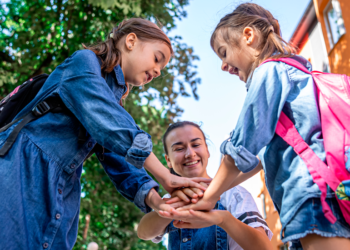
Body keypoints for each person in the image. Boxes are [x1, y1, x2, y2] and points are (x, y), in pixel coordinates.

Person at [0, 18, 208, 249]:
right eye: (157, 58)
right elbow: (105, 117)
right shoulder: (83, 62)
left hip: (60, 191)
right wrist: (165, 176)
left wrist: (158, 202)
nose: (158, 71)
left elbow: (122, 162)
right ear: (131, 41)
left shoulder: (113, 105)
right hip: (21, 172)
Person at [159, 4, 350, 250]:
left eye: (223, 52)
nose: (223, 66)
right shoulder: (296, 76)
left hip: (311, 195)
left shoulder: (268, 72)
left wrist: (210, 198)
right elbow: (257, 159)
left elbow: (240, 151)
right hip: (331, 189)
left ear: (248, 36)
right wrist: (209, 188)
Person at [137, 121, 272, 250]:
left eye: (195, 145)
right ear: (168, 161)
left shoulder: (233, 194)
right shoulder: (169, 199)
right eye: (179, 148)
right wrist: (173, 207)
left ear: (207, 151)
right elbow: (143, 232)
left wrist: (223, 220)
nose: (190, 154)